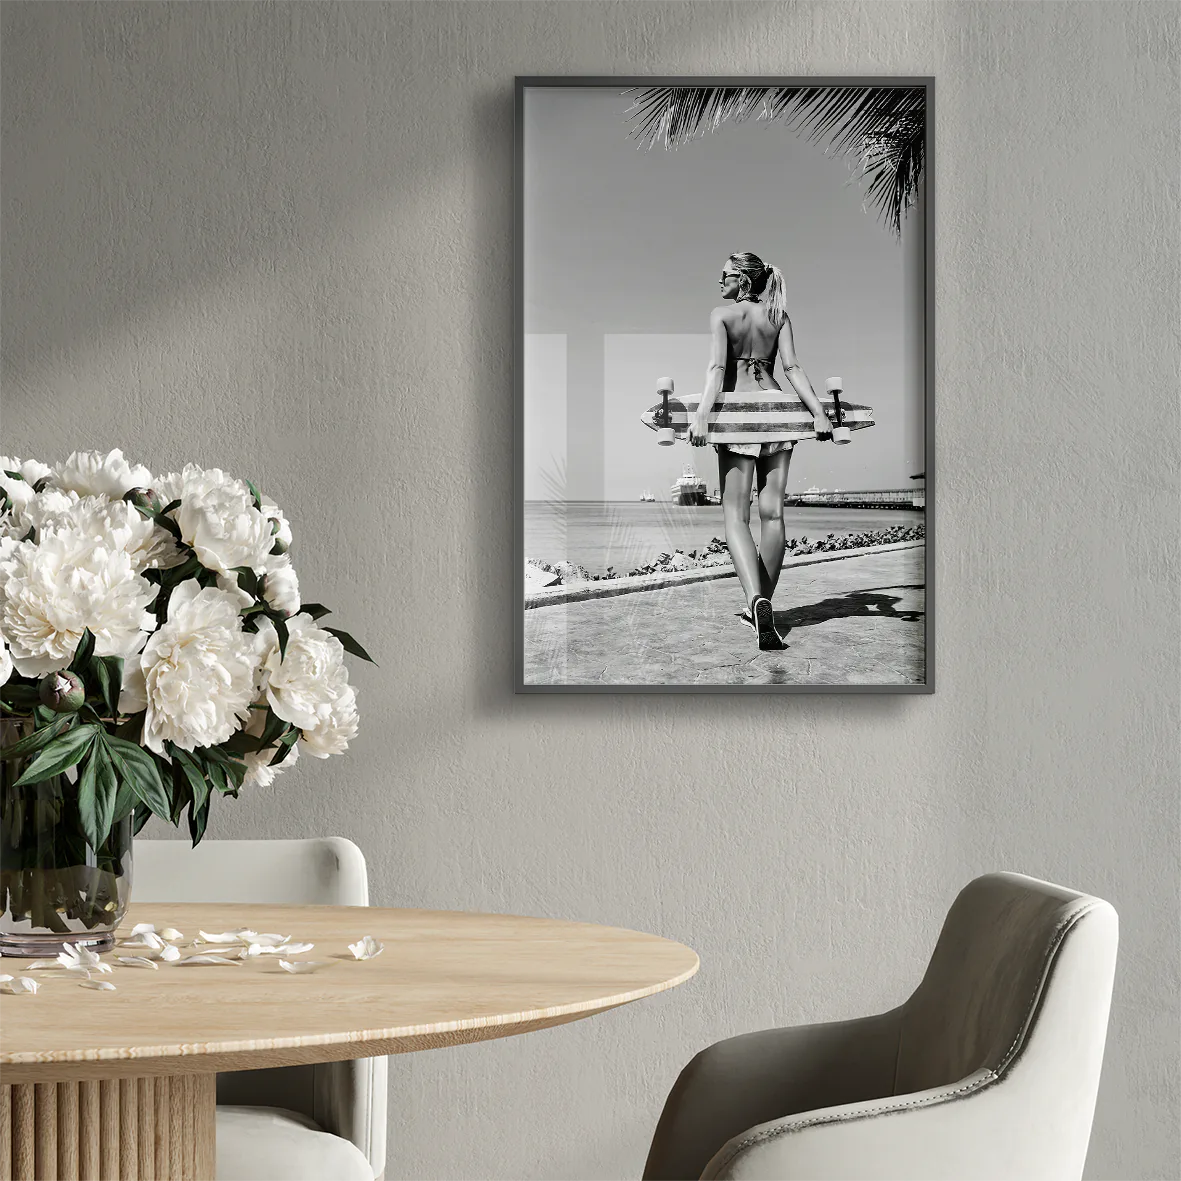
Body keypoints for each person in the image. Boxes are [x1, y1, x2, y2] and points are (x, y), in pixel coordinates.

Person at [689, 252, 833, 650]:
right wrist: (819, 413)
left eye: (725, 276)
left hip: (738, 415)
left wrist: (702, 415)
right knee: (773, 513)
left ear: (743, 281)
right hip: (779, 410)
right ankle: (763, 605)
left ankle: (755, 599)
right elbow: (793, 369)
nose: (719, 283)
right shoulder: (779, 316)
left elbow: (718, 370)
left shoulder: (721, 315)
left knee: (736, 514)